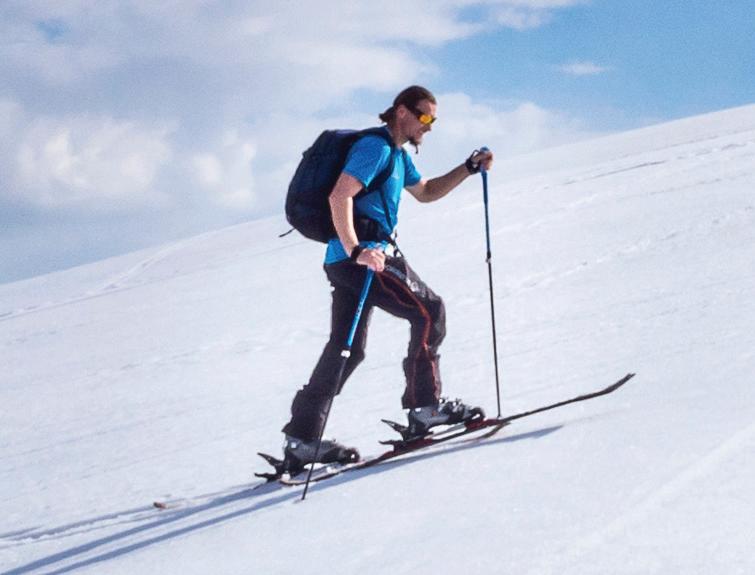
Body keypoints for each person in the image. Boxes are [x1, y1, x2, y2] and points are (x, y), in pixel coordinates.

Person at [281, 85, 494, 473]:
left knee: (346, 348)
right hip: (364, 257)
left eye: (433, 120)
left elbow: (426, 192)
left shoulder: (397, 156)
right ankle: (425, 408)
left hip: (347, 260)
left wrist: (467, 168)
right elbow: (340, 196)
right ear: (402, 112)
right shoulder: (375, 149)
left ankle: (302, 439)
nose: (429, 126)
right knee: (429, 311)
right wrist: (357, 250)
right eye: (424, 117)